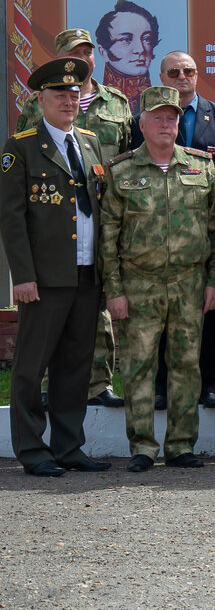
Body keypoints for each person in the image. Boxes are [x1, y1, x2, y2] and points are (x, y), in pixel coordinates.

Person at [101, 86, 215, 471]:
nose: (165, 125)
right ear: (142, 123)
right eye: (157, 118)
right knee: (138, 368)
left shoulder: (201, 166)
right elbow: (108, 237)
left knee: (187, 366)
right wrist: (114, 292)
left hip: (189, 282)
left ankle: (181, 445)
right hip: (139, 285)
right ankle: (142, 448)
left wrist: (213, 281)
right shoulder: (122, 171)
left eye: (171, 118)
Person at [0, 57, 109, 476]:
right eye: (60, 95)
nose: (69, 100)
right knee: (32, 366)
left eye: (74, 94)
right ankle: (31, 450)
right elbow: (11, 219)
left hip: (86, 272)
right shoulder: (21, 147)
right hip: (44, 278)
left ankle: (69, 446)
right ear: (41, 99)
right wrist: (22, 276)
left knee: (75, 365)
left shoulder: (89, 141)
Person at [16, 27, 133, 409]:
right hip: (53, 237)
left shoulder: (116, 104)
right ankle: (50, 391)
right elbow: (24, 177)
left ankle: (98, 385)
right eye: (73, 52)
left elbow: (127, 160)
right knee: (51, 329)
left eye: (87, 52)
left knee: (92, 316)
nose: (82, 58)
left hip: (98, 230)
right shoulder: (35, 111)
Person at [133, 51, 215, 411]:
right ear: (161, 76)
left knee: (208, 315)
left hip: (205, 228)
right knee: (160, 323)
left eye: (188, 71)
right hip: (156, 234)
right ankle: (161, 388)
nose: (182, 77)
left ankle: (210, 385)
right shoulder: (140, 123)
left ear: (198, 74)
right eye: (174, 72)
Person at [94, 0, 158, 114]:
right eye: (126, 40)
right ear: (103, 52)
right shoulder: (91, 104)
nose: (140, 49)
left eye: (147, 39)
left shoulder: (161, 105)